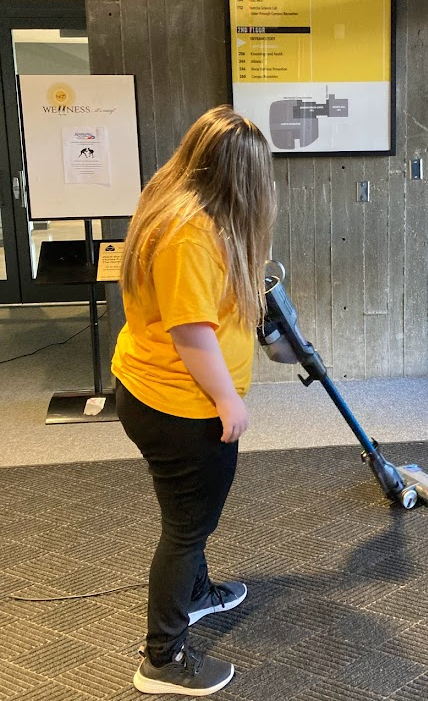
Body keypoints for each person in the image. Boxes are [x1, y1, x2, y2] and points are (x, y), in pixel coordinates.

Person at [112, 106, 276, 696]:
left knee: (187, 516)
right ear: (234, 177)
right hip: (182, 408)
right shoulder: (191, 232)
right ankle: (161, 657)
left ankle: (198, 596)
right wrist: (229, 401)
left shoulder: (171, 198)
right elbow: (191, 334)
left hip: (151, 391)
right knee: (186, 527)